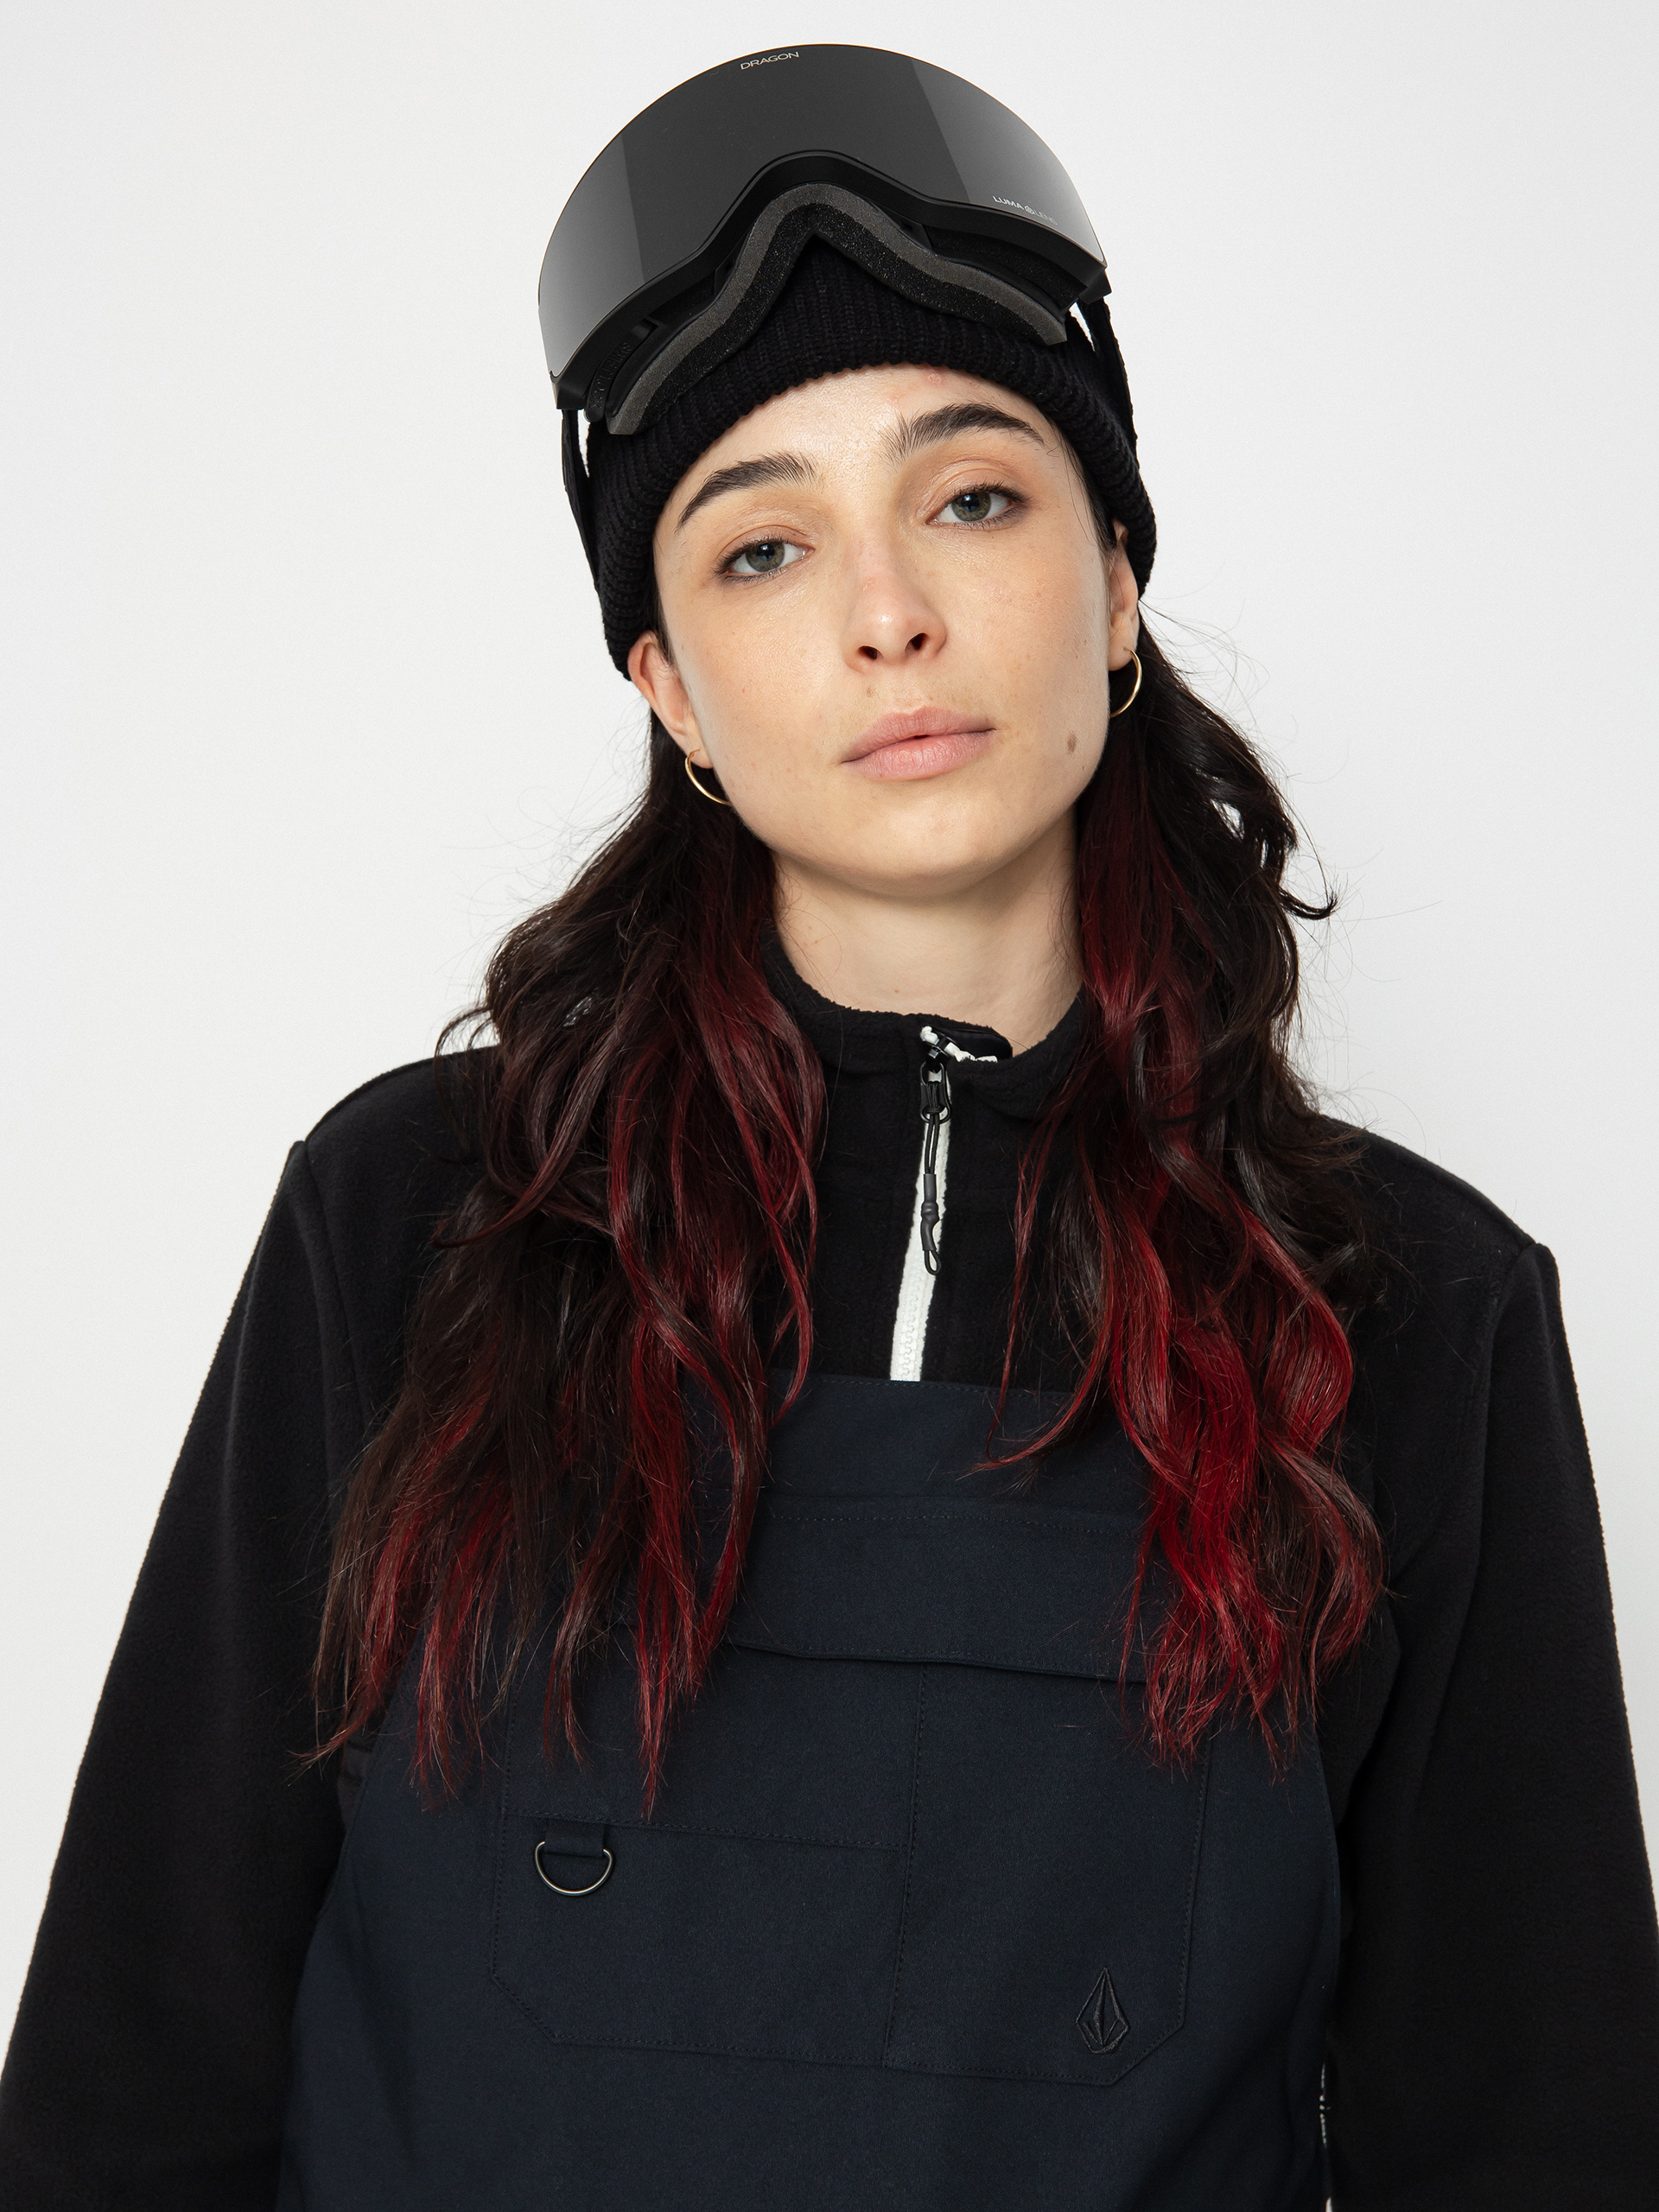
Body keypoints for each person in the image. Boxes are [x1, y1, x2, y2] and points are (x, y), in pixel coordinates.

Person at [1, 43, 1655, 2212]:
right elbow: (128, 2087)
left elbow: (1534, 2145)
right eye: (765, 544)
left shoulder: (1416, 1315)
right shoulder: (412, 1223)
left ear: (1119, 579)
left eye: (973, 497)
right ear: (670, 685)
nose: (890, 613)